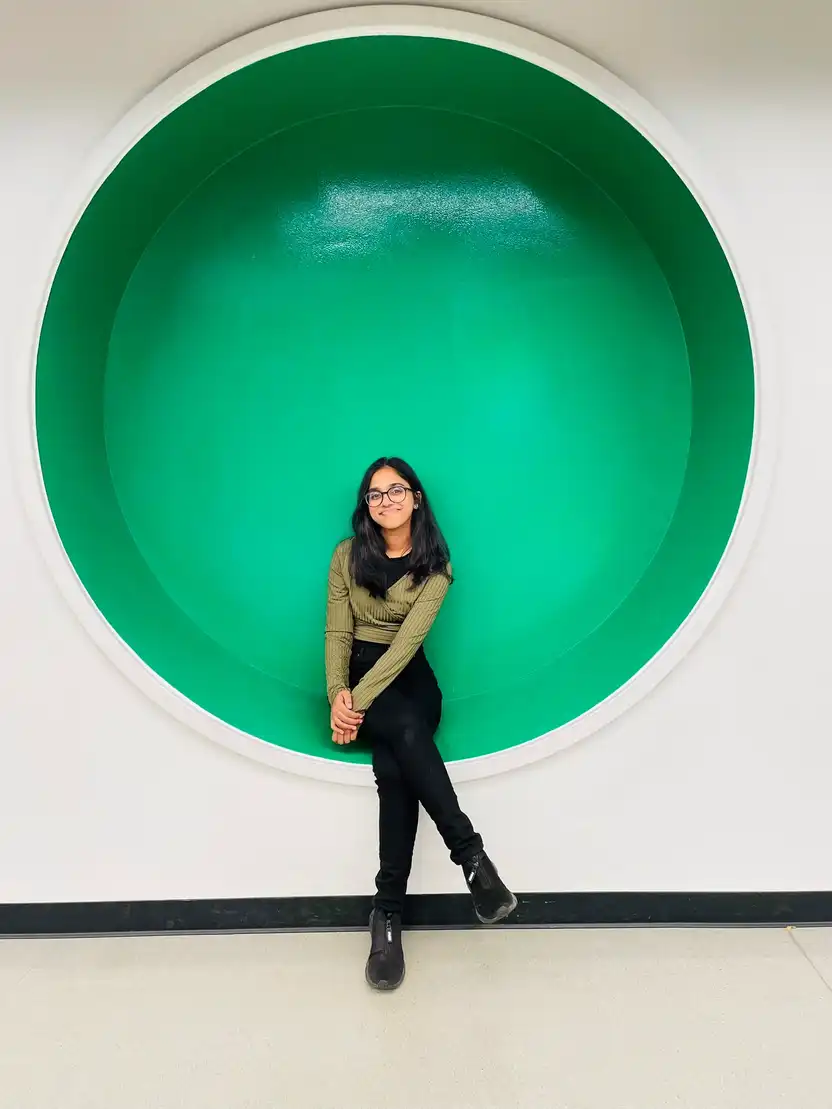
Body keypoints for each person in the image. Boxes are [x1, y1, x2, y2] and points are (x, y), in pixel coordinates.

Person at [325, 456, 516, 990]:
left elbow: (406, 645)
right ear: (366, 505)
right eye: (375, 494)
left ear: (415, 499)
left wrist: (357, 705)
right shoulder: (346, 556)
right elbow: (338, 633)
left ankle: (386, 918)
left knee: (400, 749)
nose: (385, 501)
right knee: (398, 761)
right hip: (359, 678)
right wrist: (338, 695)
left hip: (409, 680)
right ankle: (473, 861)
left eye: (395, 491)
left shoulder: (436, 565)